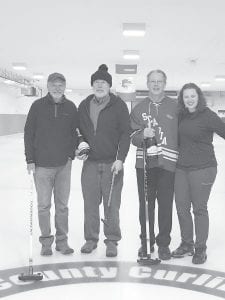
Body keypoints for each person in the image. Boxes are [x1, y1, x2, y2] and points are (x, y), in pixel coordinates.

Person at [77, 64, 130, 257]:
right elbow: (77, 131)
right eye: (97, 82)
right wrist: (80, 144)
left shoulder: (119, 105)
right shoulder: (83, 105)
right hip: (90, 164)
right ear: (92, 85)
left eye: (104, 82)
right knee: (90, 204)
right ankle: (91, 240)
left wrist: (120, 159)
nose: (100, 85)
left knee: (111, 205)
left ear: (109, 86)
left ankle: (112, 241)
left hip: (112, 164)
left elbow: (126, 134)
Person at [24, 72, 78, 256]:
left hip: (64, 165)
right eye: (54, 84)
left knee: (62, 206)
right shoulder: (37, 106)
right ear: (47, 86)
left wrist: (71, 155)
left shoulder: (71, 107)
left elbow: (74, 133)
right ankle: (46, 242)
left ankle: (62, 242)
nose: (57, 87)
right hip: (42, 166)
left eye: (60, 85)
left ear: (64, 87)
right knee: (44, 206)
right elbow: (28, 133)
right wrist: (30, 159)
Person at [171, 83, 225, 264]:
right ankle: (187, 243)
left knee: (199, 208)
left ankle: (200, 248)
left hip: (203, 168)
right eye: (186, 96)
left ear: (198, 96)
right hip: (181, 168)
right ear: (182, 99)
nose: (189, 99)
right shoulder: (181, 116)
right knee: (181, 207)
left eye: (192, 96)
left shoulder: (208, 115)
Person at [130, 69, 178, 260]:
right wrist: (143, 135)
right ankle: (146, 243)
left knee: (165, 205)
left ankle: (164, 244)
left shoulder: (176, 108)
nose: (156, 84)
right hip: (145, 165)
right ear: (147, 84)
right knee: (146, 206)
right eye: (152, 81)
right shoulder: (138, 108)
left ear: (165, 84)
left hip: (168, 164)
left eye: (159, 81)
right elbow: (132, 136)